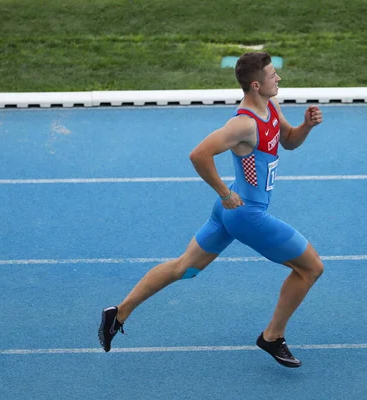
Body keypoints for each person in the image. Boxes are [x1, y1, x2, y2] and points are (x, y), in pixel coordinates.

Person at [99, 52, 324, 368]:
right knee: (311, 268)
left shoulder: (270, 106)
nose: (279, 78)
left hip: (229, 212)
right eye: (274, 75)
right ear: (256, 84)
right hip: (247, 215)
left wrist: (306, 126)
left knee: (184, 267)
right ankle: (272, 336)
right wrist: (223, 192)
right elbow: (199, 154)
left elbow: (287, 140)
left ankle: (117, 313)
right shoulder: (243, 124)